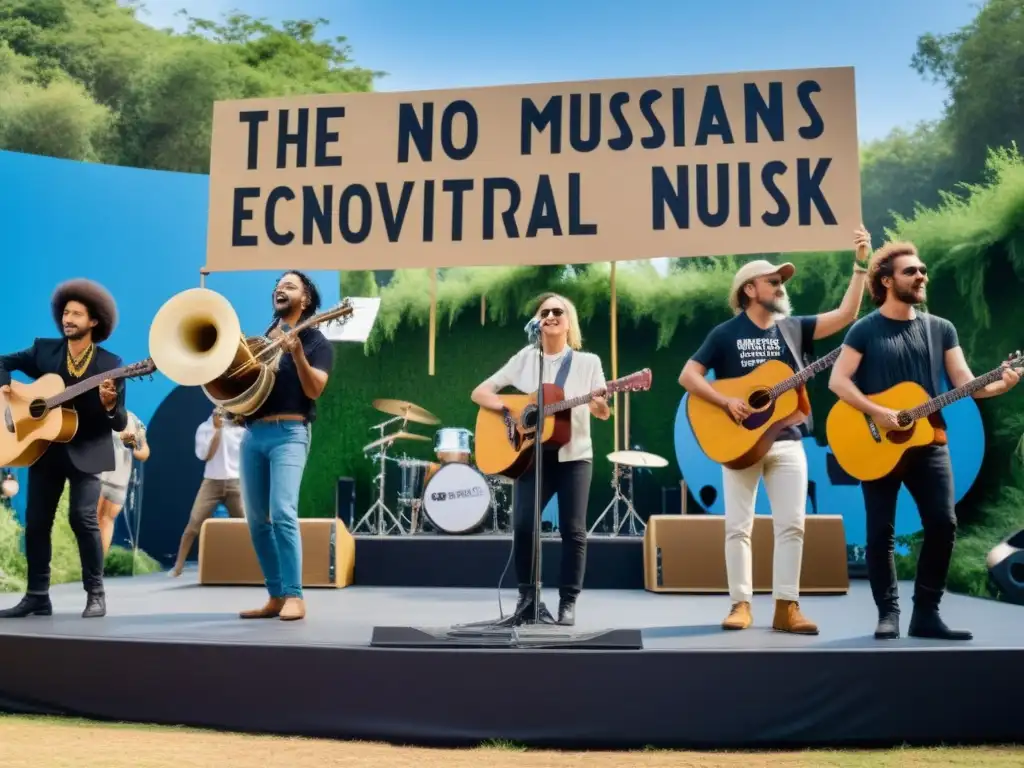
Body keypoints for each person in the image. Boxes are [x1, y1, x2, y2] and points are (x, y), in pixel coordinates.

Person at [678, 228, 872, 634]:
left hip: (788, 441)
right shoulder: (725, 333)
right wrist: (727, 401)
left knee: (793, 524)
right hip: (738, 443)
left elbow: (846, 316)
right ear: (750, 289)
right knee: (738, 527)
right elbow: (688, 376)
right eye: (773, 281)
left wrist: (860, 265)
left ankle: (787, 607)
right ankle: (740, 605)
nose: (780, 286)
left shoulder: (794, 328)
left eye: (781, 281)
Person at [828, 241, 1020, 641]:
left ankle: (926, 614)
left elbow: (966, 384)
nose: (921, 276)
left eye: (923, 270)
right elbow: (838, 381)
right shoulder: (865, 329)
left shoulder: (940, 328)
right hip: (875, 442)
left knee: (943, 523)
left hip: (930, 437)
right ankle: (889, 614)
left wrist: (999, 385)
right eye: (911, 271)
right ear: (886, 281)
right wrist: (878, 413)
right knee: (880, 531)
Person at [471, 293, 610, 626]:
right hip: (532, 455)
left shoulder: (588, 362)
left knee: (573, 530)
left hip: (575, 456)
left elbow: (603, 413)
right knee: (522, 524)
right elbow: (480, 392)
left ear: (568, 321)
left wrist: (599, 405)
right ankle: (527, 597)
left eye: (558, 311)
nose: (550, 316)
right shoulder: (526, 358)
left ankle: (568, 601)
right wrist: (512, 409)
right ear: (537, 322)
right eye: (544, 312)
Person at [0, 279, 127, 619]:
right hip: (44, 448)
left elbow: (117, 423)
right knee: (37, 522)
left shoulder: (110, 364)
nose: (68, 318)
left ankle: (95, 593)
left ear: (94, 321)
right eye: (66, 312)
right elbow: (2, 362)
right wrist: (6, 390)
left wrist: (110, 405)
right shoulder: (44, 350)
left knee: (83, 518)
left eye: (77, 313)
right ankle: (37, 595)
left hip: (88, 449)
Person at [238, 270, 333, 622]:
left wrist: (297, 355)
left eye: (290, 285)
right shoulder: (261, 340)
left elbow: (314, 390)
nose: (281, 288)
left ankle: (295, 596)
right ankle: (276, 595)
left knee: (281, 513)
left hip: (290, 434)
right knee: (256, 522)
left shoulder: (316, 342)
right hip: (252, 435)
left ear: (305, 298)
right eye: (278, 285)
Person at [170, 407, 246, 577]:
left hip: (236, 482)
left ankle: (252, 565)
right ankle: (178, 566)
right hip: (211, 482)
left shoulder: (242, 431)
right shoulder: (204, 429)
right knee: (193, 523)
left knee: (246, 525)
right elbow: (206, 456)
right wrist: (217, 430)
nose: (221, 411)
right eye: (218, 409)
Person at [97, 410, 149, 555]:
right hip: (97, 476)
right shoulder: (94, 413)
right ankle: (86, 564)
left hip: (119, 480)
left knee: (107, 520)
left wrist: (133, 444)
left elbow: (144, 452)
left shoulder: (132, 420)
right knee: (91, 520)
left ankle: (97, 566)